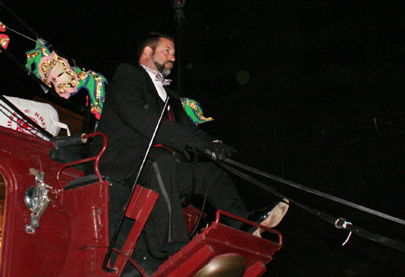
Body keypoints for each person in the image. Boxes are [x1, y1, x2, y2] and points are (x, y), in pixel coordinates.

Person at [97, 32, 286, 258]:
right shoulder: (128, 74)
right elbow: (141, 118)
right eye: (167, 50)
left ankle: (243, 224)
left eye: (174, 54)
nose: (173, 57)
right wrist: (196, 142)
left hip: (157, 167)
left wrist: (212, 144)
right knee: (162, 161)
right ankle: (173, 247)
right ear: (147, 52)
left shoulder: (170, 96)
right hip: (125, 163)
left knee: (208, 173)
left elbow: (190, 130)